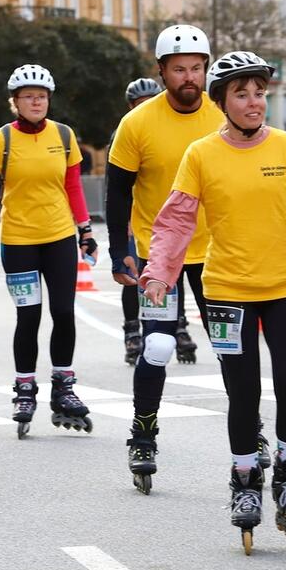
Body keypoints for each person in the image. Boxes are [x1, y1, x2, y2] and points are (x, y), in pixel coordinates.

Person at [140, 51, 286, 554]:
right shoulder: (201, 155)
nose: (254, 102)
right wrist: (161, 273)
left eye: (259, 93)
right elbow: (175, 222)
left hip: (284, 286)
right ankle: (243, 482)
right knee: (243, 394)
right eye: (242, 93)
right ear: (223, 101)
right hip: (227, 292)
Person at [106, 25, 270, 493]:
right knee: (156, 346)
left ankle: (251, 431)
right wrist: (122, 251)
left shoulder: (224, 118)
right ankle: (143, 434)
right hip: (160, 256)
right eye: (179, 69)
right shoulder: (137, 123)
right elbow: (117, 192)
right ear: (161, 72)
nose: (189, 78)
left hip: (216, 255)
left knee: (230, 349)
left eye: (197, 68)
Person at [0, 63, 96, 439]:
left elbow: (74, 188)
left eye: (42, 96)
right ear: (15, 102)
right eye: (29, 97)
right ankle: (24, 390)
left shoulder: (64, 136)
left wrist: (85, 231)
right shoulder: (1, 140)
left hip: (59, 237)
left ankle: (64, 386)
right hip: (17, 241)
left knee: (64, 313)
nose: (37, 102)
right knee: (28, 317)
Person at [113, 77, 162, 366]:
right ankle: (133, 331)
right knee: (133, 278)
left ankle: (178, 323)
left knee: (169, 276)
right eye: (139, 106)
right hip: (135, 219)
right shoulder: (126, 133)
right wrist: (122, 225)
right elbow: (116, 188)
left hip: (166, 220)